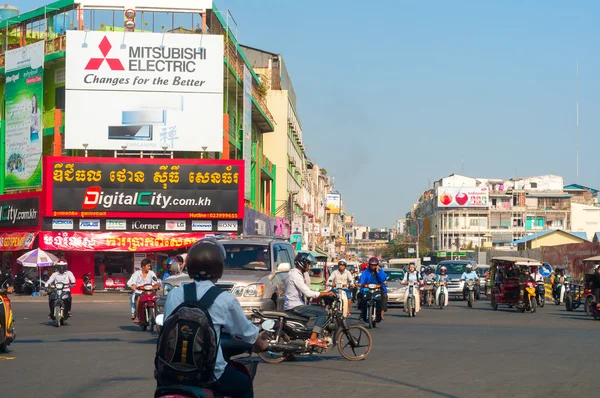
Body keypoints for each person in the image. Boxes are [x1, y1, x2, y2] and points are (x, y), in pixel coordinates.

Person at [162, 238, 268, 398]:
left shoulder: (174, 294)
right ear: (219, 267)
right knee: (243, 384)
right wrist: (262, 345)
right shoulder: (225, 299)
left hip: (170, 373)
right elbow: (248, 334)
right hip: (210, 375)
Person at [284, 252, 335, 348]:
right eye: (308, 264)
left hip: (295, 303)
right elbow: (308, 293)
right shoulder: (295, 275)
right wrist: (325, 293)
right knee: (322, 313)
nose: (309, 266)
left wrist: (321, 294)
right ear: (302, 263)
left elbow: (307, 290)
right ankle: (313, 339)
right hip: (295, 306)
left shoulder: (297, 273)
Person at [357, 257, 388, 321]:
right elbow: (362, 279)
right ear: (369, 264)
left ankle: (381, 312)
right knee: (360, 295)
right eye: (372, 265)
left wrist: (378, 272)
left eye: (375, 265)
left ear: (377, 265)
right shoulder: (366, 271)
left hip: (378, 288)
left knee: (384, 296)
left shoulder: (380, 271)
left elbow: (383, 279)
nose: (373, 266)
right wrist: (361, 283)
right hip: (367, 288)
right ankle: (362, 311)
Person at [0, 268, 15, 341]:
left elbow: (9, 279)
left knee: (6, 304)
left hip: (1, 295)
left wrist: (11, 286)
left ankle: (5, 331)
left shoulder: (3, 272)